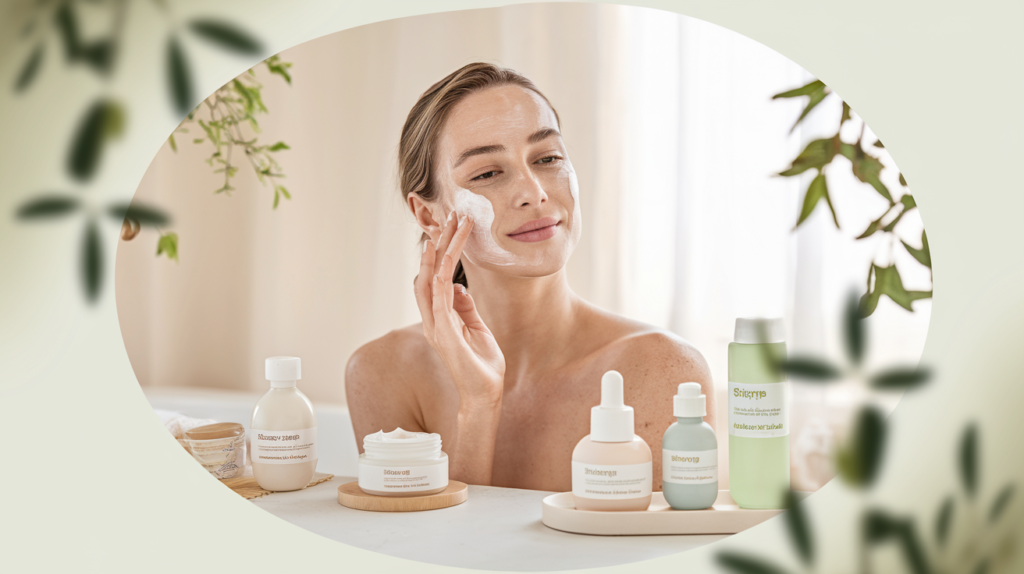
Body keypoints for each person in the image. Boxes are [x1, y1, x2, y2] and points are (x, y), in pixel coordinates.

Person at [346, 62, 714, 492]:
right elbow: (427, 555)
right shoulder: (384, 374)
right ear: (429, 214)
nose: (534, 192)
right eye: (487, 173)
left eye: (548, 158)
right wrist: (479, 406)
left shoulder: (663, 369)